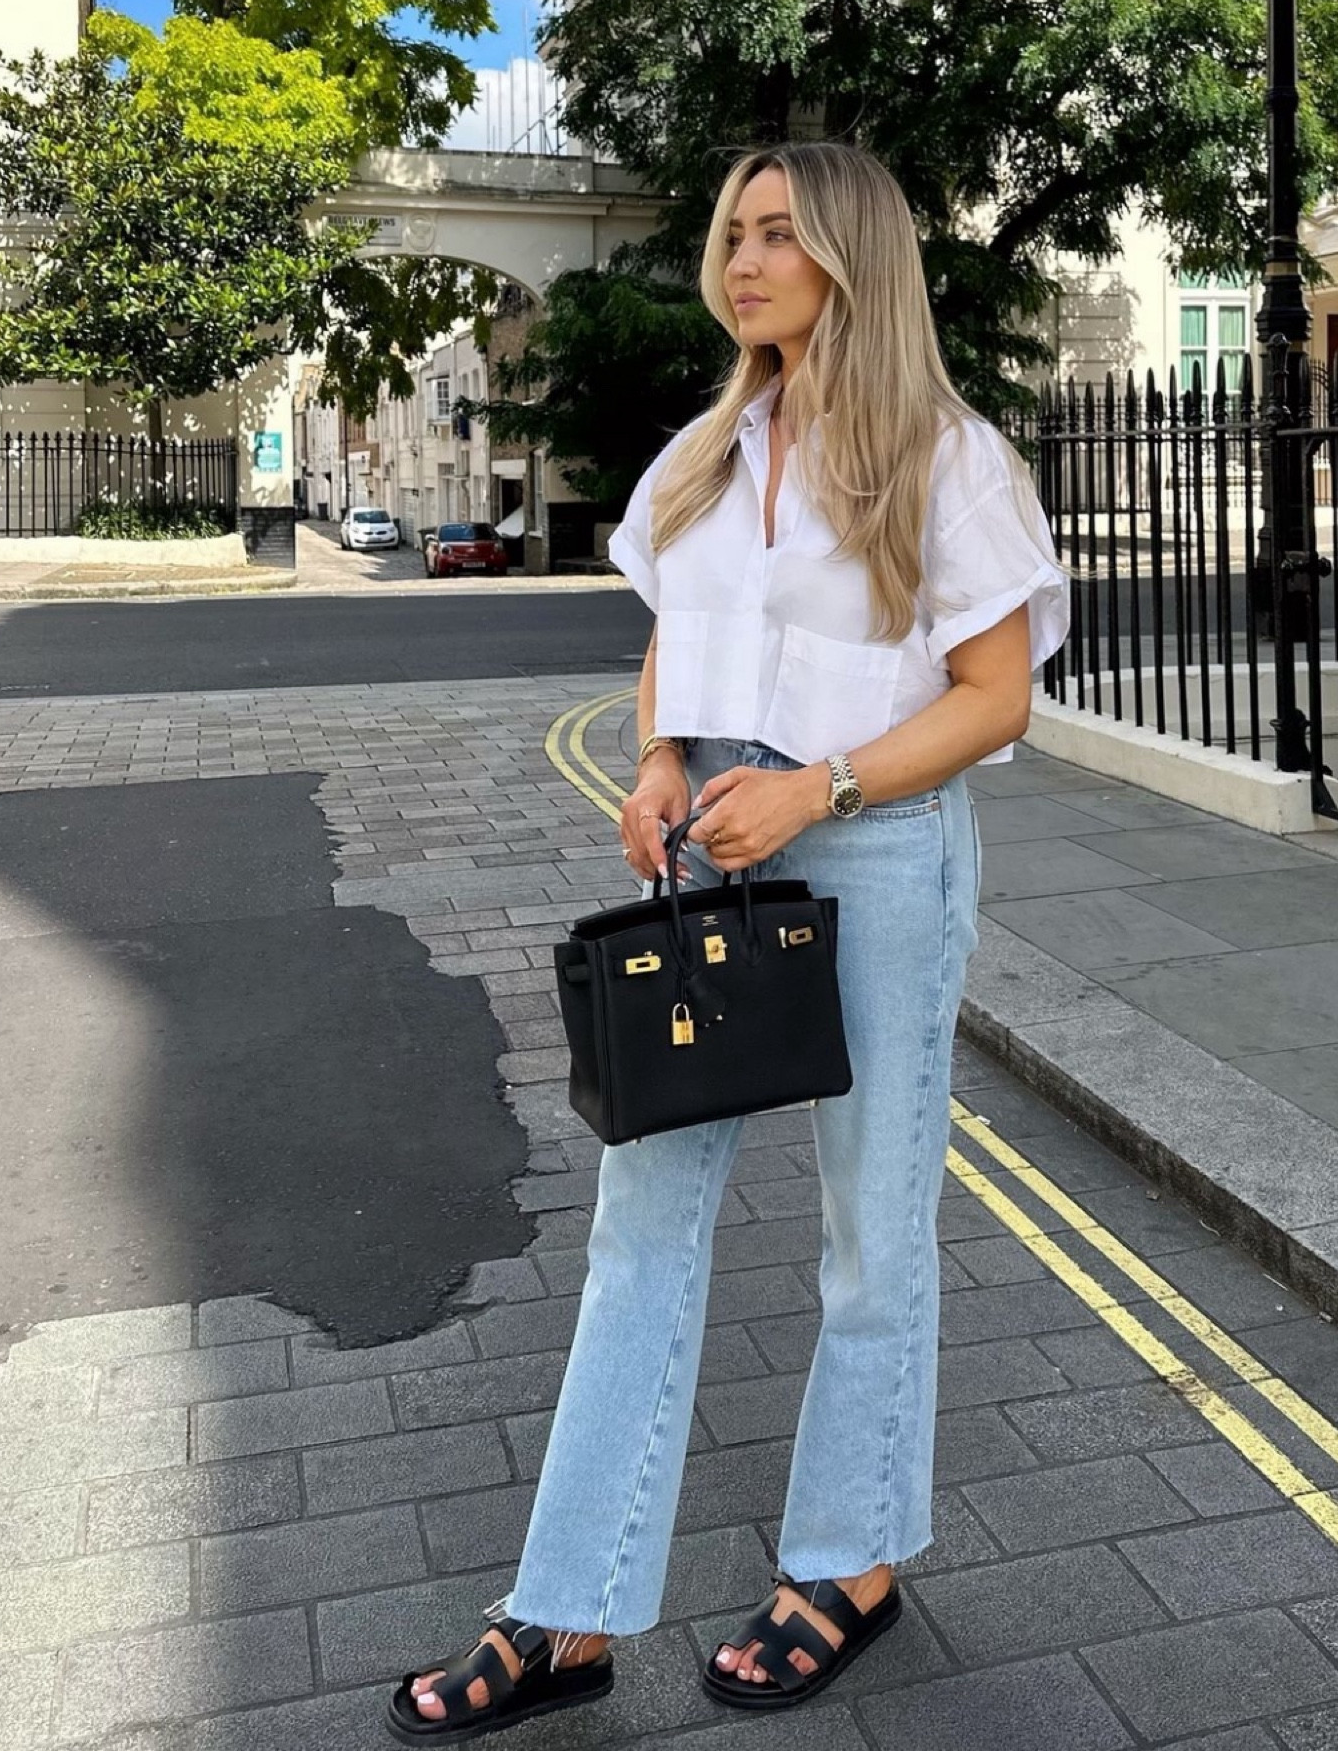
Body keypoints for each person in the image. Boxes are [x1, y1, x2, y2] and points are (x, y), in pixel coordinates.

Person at [386, 141, 1068, 1742]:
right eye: (733, 234)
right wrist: (658, 766)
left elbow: (994, 698)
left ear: (852, 257)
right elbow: (667, 654)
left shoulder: (945, 460)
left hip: (880, 861)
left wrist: (818, 785)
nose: (742, 261)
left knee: (869, 1233)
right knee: (641, 1222)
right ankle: (566, 1608)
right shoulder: (705, 454)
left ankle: (850, 1563)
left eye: (777, 235)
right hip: (716, 870)